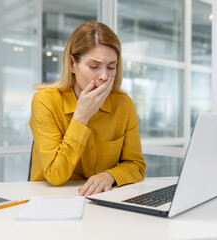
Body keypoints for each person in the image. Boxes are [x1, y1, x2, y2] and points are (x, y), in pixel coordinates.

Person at [29, 21, 146, 197]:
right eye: (94, 66)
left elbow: (136, 165)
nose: (104, 76)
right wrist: (81, 117)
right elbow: (55, 174)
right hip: (52, 201)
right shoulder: (46, 101)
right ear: (72, 64)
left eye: (111, 67)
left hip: (102, 201)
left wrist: (110, 176)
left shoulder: (124, 104)